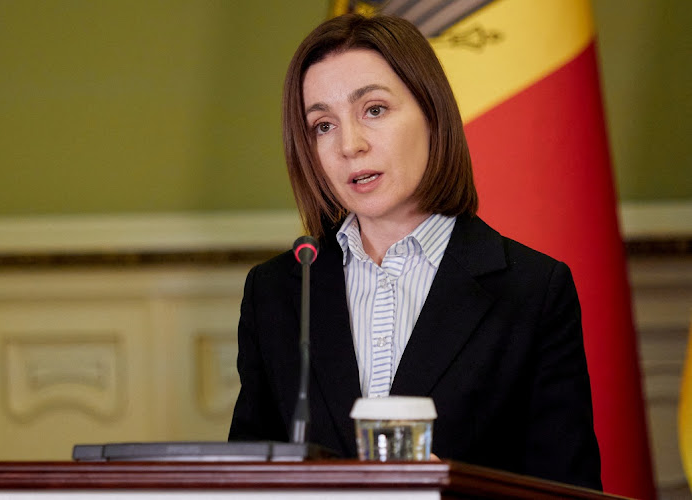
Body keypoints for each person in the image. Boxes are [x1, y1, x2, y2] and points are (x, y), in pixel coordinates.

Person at [228, 13, 602, 490]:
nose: (350, 145)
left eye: (374, 110)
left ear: (431, 113)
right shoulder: (277, 292)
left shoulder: (532, 289)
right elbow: (244, 480)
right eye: (322, 125)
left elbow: (568, 489)